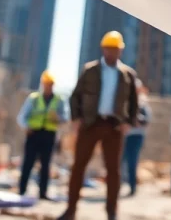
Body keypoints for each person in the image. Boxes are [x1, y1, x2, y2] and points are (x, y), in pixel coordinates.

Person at [59, 31, 138, 220]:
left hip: (114, 126)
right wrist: (76, 119)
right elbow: (75, 96)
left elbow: (134, 102)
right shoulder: (90, 70)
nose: (112, 52)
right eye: (109, 49)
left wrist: (129, 122)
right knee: (79, 166)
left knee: (113, 170)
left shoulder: (127, 74)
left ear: (121, 51)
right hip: (90, 124)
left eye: (115, 49)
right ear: (103, 49)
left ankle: (112, 212)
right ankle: (70, 210)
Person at [16, 70, 69, 200]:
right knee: (28, 163)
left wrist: (57, 118)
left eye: (50, 84)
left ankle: (43, 193)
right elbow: (22, 116)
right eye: (46, 84)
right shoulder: (34, 98)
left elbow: (66, 118)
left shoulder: (59, 100)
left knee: (45, 165)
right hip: (33, 133)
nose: (48, 86)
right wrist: (26, 126)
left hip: (49, 135)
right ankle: (22, 190)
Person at [122, 81, 152, 196]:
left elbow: (146, 120)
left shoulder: (142, 102)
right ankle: (116, 186)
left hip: (136, 136)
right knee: (120, 162)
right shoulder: (125, 101)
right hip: (125, 135)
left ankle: (132, 186)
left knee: (132, 162)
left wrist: (135, 120)